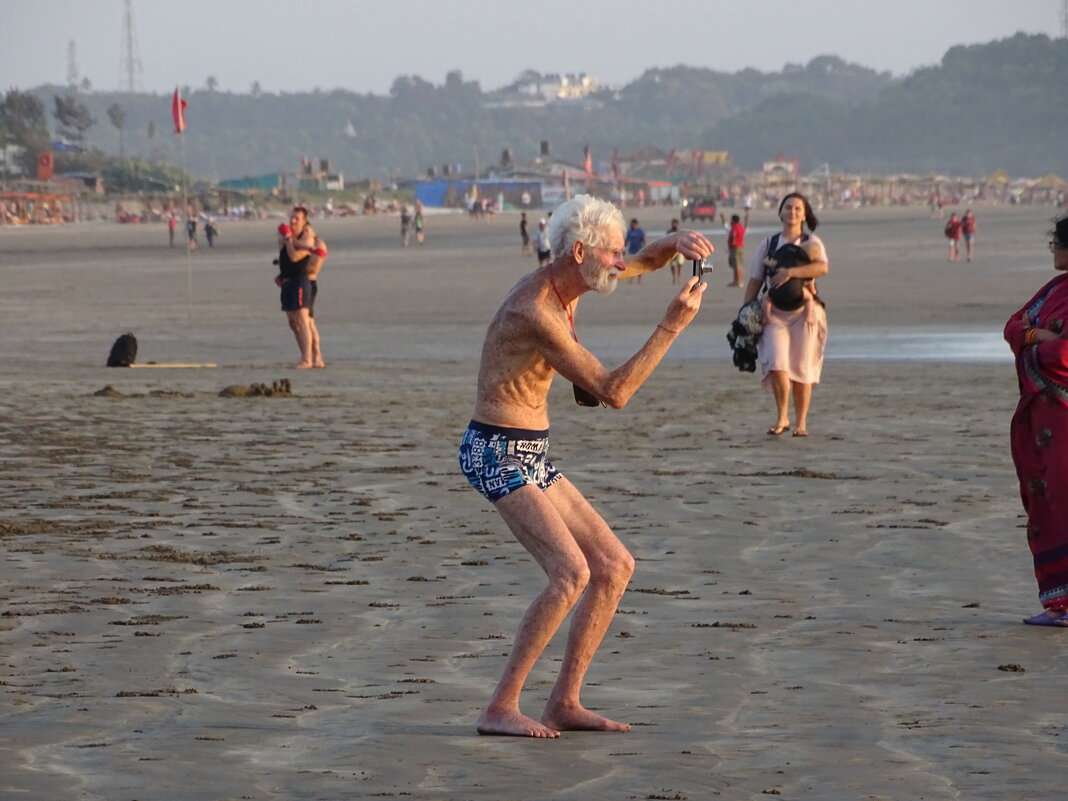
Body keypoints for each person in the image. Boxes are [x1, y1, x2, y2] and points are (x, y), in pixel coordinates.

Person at [457, 194, 712, 738]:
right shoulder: (538, 310)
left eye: (620, 253)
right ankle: (500, 705)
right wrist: (671, 326)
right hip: (494, 450)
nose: (620, 262)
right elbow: (612, 392)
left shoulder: (569, 279)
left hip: (530, 454)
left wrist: (675, 240)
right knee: (570, 573)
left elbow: (636, 262)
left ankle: (563, 702)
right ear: (580, 251)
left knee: (614, 566)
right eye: (610, 254)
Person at [1005, 214, 1068, 628]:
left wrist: (1040, 342)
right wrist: (1034, 337)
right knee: (1048, 501)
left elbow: (1063, 357)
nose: (1053, 251)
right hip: (1045, 421)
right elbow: (1013, 325)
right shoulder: (1053, 290)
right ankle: (1060, 603)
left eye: (1056, 243)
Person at [741, 192, 829, 437]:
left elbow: (822, 267)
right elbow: (756, 279)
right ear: (780, 212)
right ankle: (782, 416)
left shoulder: (812, 242)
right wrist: (745, 310)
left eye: (798, 209)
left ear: (804, 214)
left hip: (806, 313)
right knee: (778, 364)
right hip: (774, 313)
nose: (792, 212)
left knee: (802, 369)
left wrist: (790, 272)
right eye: (788, 208)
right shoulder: (768, 244)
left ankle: (801, 422)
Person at [276, 206, 317, 368]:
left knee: (302, 318)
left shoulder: (308, 237)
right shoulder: (285, 235)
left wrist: (290, 240)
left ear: (304, 222)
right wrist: (288, 238)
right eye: (291, 218)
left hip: (300, 280)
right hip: (286, 281)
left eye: (297, 219)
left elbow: (294, 256)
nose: (293, 221)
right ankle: (303, 356)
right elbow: (282, 241)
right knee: (293, 322)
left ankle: (308, 359)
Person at [305, 235, 328, 368]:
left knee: (309, 321)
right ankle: (314, 355)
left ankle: (316, 355)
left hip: (309, 283)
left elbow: (313, 268)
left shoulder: (317, 244)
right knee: (307, 321)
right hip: (304, 283)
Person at [721, 209, 751, 287]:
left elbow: (733, 234)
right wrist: (746, 218)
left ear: (733, 220)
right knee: (739, 265)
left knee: (736, 266)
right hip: (740, 248)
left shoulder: (734, 227)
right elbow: (745, 228)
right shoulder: (741, 227)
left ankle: (737, 281)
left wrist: (733, 242)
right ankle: (738, 281)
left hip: (735, 248)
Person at [666, 219, 685, 284]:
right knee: (672, 265)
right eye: (673, 223)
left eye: (675, 223)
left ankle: (679, 278)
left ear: (677, 224)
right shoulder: (669, 232)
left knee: (680, 264)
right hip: (671, 250)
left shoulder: (680, 232)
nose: (674, 225)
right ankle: (674, 277)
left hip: (679, 251)